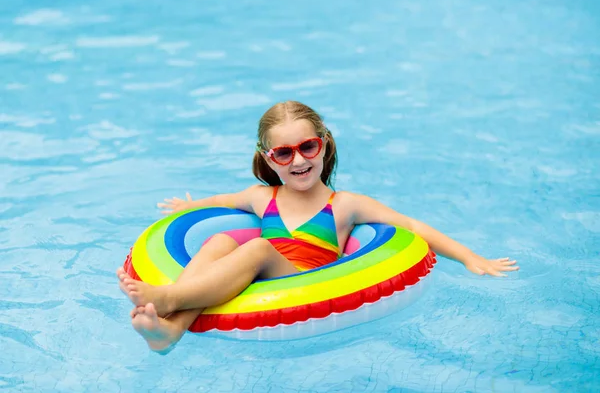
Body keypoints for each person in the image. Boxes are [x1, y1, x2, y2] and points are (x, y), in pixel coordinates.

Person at [117, 101, 519, 353]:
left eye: (308, 147)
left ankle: (169, 298)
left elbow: (411, 225)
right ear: (268, 158)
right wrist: (190, 206)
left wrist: (469, 257)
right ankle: (170, 331)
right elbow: (218, 204)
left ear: (324, 143)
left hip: (306, 276)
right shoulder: (263, 197)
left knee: (256, 248)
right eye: (283, 152)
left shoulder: (344, 205)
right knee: (222, 239)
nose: (298, 161)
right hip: (260, 273)